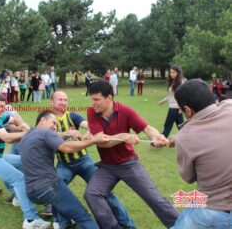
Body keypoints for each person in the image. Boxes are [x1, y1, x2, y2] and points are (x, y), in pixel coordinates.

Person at [84, 80, 179, 229]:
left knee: (154, 198)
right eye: (92, 99)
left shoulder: (125, 111)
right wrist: (122, 136)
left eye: (96, 100)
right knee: (92, 194)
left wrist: (156, 137)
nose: (93, 103)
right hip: (107, 166)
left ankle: (180, 225)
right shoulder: (92, 112)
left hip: (128, 163)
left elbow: (147, 128)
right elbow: (100, 141)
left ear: (109, 98)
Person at [49, 91, 135, 229]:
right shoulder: (48, 120)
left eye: (65, 100)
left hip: (84, 161)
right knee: (54, 189)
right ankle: (64, 223)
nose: (64, 102)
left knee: (105, 192)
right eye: (60, 100)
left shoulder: (72, 115)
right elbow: (47, 137)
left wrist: (90, 130)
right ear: (51, 102)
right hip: (64, 164)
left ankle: (127, 224)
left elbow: (87, 123)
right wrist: (67, 134)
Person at [20, 111, 112, 229]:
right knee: (82, 215)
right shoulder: (46, 133)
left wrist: (68, 134)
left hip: (32, 192)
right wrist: (93, 140)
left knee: (63, 205)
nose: (55, 126)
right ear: (43, 120)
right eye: (53, 122)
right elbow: (66, 148)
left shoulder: (27, 136)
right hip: (50, 186)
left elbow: (55, 136)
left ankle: (63, 224)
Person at [0, 92, 50, 229]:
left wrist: (22, 124)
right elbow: (7, 138)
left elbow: (13, 118)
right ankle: (30, 220)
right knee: (19, 179)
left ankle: (18, 196)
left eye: (4, 106)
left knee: (22, 161)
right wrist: (30, 132)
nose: (4, 109)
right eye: (1, 106)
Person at [170, 79, 232, 228]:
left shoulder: (184, 137)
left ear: (188, 110)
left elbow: (189, 177)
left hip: (213, 208)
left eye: (181, 109)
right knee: (188, 205)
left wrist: (181, 141)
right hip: (209, 203)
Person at [158, 65, 184, 138]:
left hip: (176, 108)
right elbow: (171, 95)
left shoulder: (181, 82)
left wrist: (180, 107)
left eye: (173, 72)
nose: (171, 74)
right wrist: (163, 101)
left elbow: (183, 95)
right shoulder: (173, 82)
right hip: (172, 107)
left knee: (168, 125)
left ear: (178, 73)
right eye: (170, 72)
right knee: (181, 126)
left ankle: (160, 141)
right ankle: (188, 140)